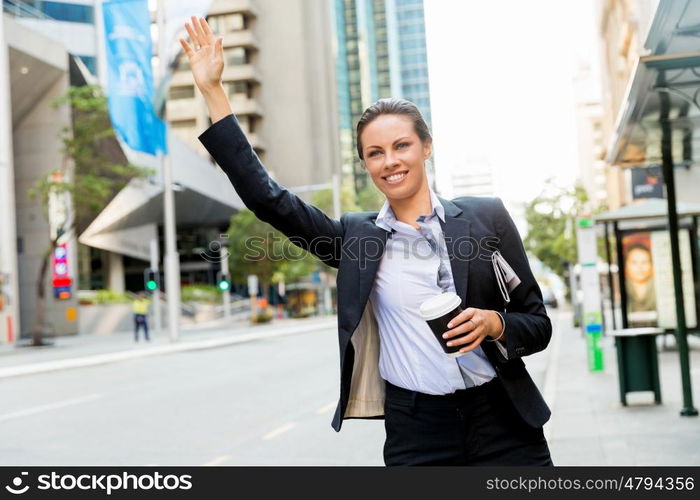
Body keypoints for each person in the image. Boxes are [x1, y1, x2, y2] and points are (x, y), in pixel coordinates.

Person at [180, 16, 553, 466]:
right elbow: (268, 199)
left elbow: (537, 323)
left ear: (426, 147)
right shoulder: (357, 239)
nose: (390, 162)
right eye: (375, 153)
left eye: (401, 146)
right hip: (417, 430)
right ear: (364, 163)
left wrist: (495, 324)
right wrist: (213, 92)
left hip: (503, 422)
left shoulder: (484, 216)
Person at [624, 243, 657, 325]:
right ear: (626, 265)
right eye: (634, 262)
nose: (639, 267)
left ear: (651, 265)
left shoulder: (658, 286)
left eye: (644, 262)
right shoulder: (621, 288)